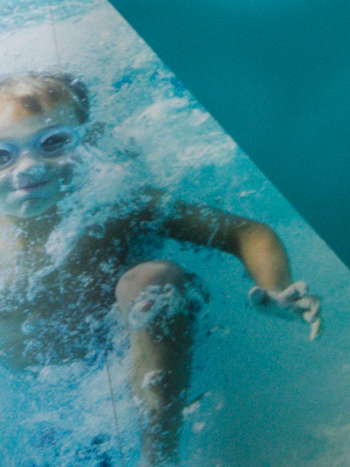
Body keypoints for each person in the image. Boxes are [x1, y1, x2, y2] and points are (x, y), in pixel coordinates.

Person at [0, 71, 322, 464]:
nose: (28, 168)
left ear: (87, 142)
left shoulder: (116, 206)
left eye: (52, 143)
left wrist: (276, 288)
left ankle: (159, 458)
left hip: (147, 360)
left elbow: (246, 234)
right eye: (3, 155)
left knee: (152, 279)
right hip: (49, 406)